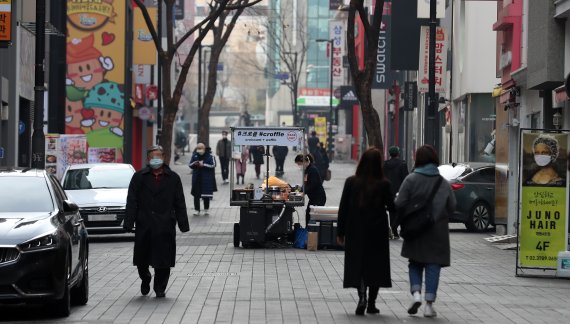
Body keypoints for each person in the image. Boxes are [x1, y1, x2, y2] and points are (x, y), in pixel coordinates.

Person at [395, 145, 456, 318]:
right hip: (437, 232)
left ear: (418, 160)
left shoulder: (410, 179)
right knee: (433, 265)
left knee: (414, 263)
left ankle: (416, 294)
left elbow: (399, 204)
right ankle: (429, 305)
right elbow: (452, 206)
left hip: (415, 229)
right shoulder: (443, 183)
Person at [123, 145, 189, 298]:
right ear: (148, 159)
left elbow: (180, 202)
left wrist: (183, 224)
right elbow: (132, 201)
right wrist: (128, 222)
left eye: (159, 156)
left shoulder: (173, 178)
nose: (156, 159)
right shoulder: (139, 177)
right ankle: (145, 278)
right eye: (153, 157)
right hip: (144, 224)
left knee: (164, 260)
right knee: (142, 258)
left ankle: (160, 287)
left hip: (165, 225)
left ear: (164, 157)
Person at [337, 147, 395, 316]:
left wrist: (340, 232)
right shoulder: (384, 184)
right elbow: (392, 207)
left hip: (355, 230)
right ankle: (372, 303)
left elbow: (343, 209)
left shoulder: (351, 182)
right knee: (376, 265)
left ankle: (361, 297)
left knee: (359, 264)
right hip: (377, 231)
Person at [383, 146, 409, 239]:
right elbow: (406, 179)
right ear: (398, 153)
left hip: (388, 191)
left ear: (390, 154)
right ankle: (397, 229)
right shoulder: (402, 164)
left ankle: (393, 230)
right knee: (401, 210)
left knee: (391, 210)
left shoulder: (385, 164)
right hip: (400, 191)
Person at [295, 153, 326, 227]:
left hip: (318, 198)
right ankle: (308, 232)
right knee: (308, 214)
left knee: (311, 217)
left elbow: (313, 185)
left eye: (299, 164)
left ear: (304, 162)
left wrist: (303, 192)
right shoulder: (307, 170)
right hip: (313, 198)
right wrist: (297, 189)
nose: (299, 166)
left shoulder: (312, 170)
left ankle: (311, 233)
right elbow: (305, 184)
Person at [189, 143, 217, 216]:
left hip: (206, 178)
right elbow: (190, 165)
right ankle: (197, 209)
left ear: (204, 149)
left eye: (201, 149)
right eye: (198, 149)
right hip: (197, 178)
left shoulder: (210, 156)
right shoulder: (195, 155)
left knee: (206, 195)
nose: (199, 151)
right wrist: (195, 163)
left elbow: (213, 165)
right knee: (196, 195)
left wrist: (203, 165)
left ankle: (206, 209)